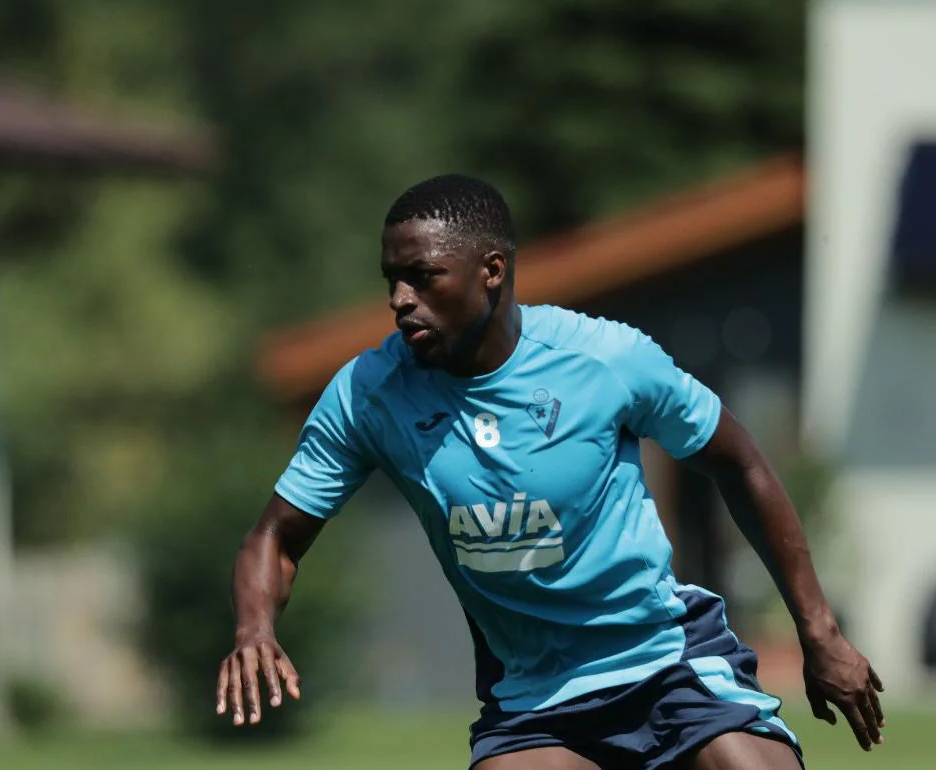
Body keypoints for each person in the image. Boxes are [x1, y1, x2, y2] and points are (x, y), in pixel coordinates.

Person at [215, 174, 885, 769]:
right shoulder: (369, 394)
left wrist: (818, 632)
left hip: (663, 661)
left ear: (492, 271)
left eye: (423, 277)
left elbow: (740, 462)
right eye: (391, 278)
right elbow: (273, 538)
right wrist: (254, 629)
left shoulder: (605, 360)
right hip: (534, 700)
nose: (399, 299)